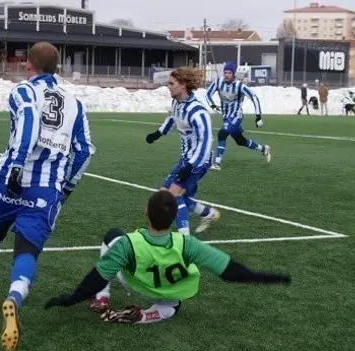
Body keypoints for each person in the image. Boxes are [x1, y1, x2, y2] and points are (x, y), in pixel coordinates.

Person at [0, 41, 96, 351]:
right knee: (27, 250)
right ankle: (13, 297)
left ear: (28, 65)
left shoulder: (22, 91)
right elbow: (86, 151)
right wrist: (67, 187)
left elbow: (29, 123)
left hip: (12, 181)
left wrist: (18, 165)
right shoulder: (75, 103)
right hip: (47, 189)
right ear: (56, 67)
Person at [45, 190, 292, 324]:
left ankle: (102, 299)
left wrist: (72, 298)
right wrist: (267, 277)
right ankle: (157, 312)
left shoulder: (130, 243)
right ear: (175, 218)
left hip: (138, 282)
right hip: (172, 291)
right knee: (173, 305)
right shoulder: (186, 243)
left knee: (112, 235)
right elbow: (230, 271)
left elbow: (98, 275)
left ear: (145, 212)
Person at [145, 66, 219, 235]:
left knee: (173, 196)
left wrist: (191, 165)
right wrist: (158, 133)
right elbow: (172, 118)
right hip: (186, 159)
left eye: (171, 83)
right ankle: (208, 213)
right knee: (165, 195)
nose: (168, 86)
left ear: (183, 85)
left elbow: (206, 141)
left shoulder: (197, 111)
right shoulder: (177, 103)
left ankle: (184, 239)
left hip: (199, 161)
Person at [205, 61, 270, 170]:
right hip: (226, 117)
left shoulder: (240, 86)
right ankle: (263, 149)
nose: (226, 74)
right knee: (240, 141)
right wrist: (212, 105)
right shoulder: (218, 82)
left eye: (229, 72)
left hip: (236, 116)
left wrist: (258, 116)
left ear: (233, 74)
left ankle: (217, 163)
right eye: (225, 72)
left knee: (222, 134)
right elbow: (207, 94)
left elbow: (254, 97)